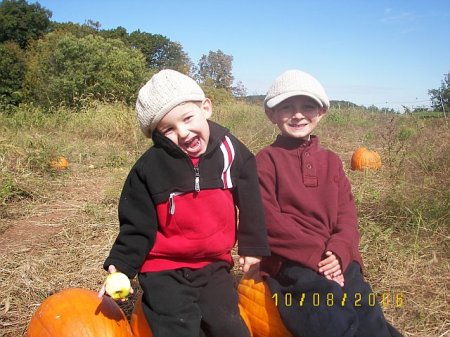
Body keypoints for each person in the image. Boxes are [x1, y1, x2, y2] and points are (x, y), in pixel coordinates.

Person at [98, 69, 270, 337]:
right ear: (155, 135)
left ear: (206, 108)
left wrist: (253, 246)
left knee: (228, 327)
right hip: (164, 268)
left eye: (188, 118)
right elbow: (136, 224)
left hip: (214, 265)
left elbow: (251, 201)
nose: (183, 132)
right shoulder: (149, 168)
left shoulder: (231, 151)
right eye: (167, 129)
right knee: (177, 327)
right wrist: (121, 264)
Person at [255, 69, 402, 337]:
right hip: (292, 259)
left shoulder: (332, 161)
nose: (298, 114)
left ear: (321, 111)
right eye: (286, 107)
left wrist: (339, 250)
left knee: (363, 304)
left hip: (335, 254)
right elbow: (268, 220)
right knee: (325, 311)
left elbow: (347, 216)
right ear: (271, 114)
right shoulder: (266, 161)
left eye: (307, 106)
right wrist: (317, 257)